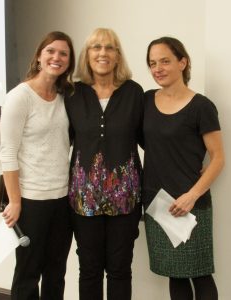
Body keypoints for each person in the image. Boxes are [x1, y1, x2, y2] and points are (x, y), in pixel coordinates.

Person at [142, 36, 225, 300]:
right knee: (174, 272)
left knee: (200, 273)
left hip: (191, 204)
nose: (158, 69)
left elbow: (219, 158)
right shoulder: (145, 101)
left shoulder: (201, 107)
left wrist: (192, 196)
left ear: (182, 62)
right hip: (157, 203)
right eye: (153, 63)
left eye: (165, 61)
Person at [64, 28, 144, 300]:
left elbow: (152, 137)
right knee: (89, 269)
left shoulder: (134, 92)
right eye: (96, 47)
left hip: (126, 199)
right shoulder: (73, 93)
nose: (103, 53)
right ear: (87, 55)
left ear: (118, 55)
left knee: (120, 270)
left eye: (110, 47)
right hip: (83, 200)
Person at [0, 31, 75, 300]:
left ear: (69, 61)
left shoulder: (66, 96)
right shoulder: (20, 96)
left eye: (63, 53)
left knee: (56, 273)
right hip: (31, 201)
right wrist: (15, 201)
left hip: (63, 199)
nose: (57, 57)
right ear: (39, 56)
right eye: (51, 51)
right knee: (28, 274)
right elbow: (7, 153)